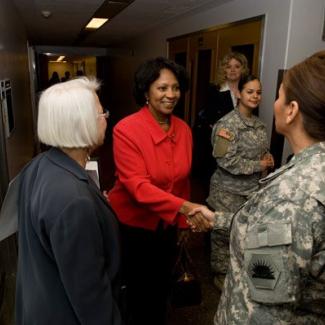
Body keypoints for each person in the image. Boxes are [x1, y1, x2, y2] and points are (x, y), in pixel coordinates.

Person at [190, 50, 325, 324]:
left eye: (277, 95)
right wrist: (218, 218)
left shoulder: (289, 196)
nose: (264, 100)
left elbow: (264, 312)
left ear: (291, 111)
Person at [108, 57, 208, 325]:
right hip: (134, 229)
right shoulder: (126, 130)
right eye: (162, 88)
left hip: (167, 225)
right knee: (138, 292)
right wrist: (186, 209)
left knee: (163, 285)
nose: (171, 95)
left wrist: (184, 223)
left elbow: (183, 182)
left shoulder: (184, 130)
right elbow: (138, 187)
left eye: (175, 88)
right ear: (146, 91)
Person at [15, 77, 122, 325]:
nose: (106, 117)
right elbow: (91, 297)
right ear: (81, 123)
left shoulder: (37, 166)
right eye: (100, 113)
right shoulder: (74, 202)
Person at [207, 74, 274, 290]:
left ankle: (238, 277)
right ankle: (220, 277)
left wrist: (268, 159)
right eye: (250, 91)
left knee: (245, 235)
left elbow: (262, 153)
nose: (255, 96)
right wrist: (259, 165)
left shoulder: (260, 126)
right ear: (239, 93)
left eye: (258, 92)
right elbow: (226, 160)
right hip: (227, 193)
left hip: (252, 192)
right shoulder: (227, 125)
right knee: (223, 236)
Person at [192, 52, 249, 184]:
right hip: (218, 144)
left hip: (241, 145)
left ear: (243, 69)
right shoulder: (213, 90)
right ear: (224, 70)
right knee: (214, 181)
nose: (233, 70)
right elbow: (206, 117)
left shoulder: (248, 90)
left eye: (237, 66)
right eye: (228, 67)